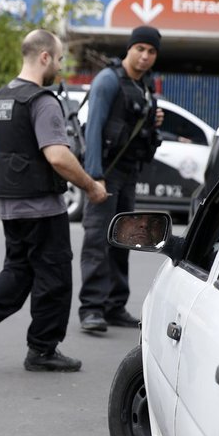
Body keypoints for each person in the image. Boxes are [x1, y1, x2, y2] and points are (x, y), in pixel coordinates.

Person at [0, 30, 108, 372]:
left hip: (9, 204)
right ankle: (42, 350)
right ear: (44, 57)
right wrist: (91, 187)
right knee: (54, 279)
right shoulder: (42, 101)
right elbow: (57, 156)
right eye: (60, 58)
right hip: (42, 206)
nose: (61, 65)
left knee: (20, 269)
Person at [78, 26, 164, 333]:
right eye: (139, 48)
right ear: (128, 49)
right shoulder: (108, 80)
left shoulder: (144, 85)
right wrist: (94, 176)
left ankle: (114, 306)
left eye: (151, 51)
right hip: (107, 171)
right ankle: (91, 308)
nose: (144, 56)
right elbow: (94, 129)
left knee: (123, 237)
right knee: (97, 238)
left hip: (129, 173)